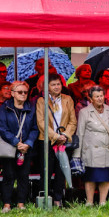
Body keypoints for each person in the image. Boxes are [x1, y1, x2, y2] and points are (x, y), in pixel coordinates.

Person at [72, 86, 109, 206]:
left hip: (108, 149)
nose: (100, 98)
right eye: (97, 96)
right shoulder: (84, 112)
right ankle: (89, 202)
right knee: (90, 177)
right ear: (91, 99)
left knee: (106, 177)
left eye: (101, 95)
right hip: (91, 150)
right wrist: (77, 154)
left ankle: (103, 202)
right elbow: (79, 133)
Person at [0, 81, 39, 212]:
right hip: (10, 147)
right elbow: (2, 128)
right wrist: (16, 142)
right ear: (13, 93)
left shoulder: (31, 107)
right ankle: (7, 204)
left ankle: (21, 203)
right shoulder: (5, 107)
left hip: (26, 148)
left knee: (24, 176)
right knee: (8, 175)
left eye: (25, 92)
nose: (23, 94)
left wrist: (28, 143)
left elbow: (35, 128)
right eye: (20, 92)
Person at [36, 76, 77, 207]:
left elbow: (73, 121)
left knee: (61, 170)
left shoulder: (67, 99)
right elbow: (41, 122)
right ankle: (45, 198)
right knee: (46, 170)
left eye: (58, 84)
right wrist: (55, 136)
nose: (56, 87)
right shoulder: (41, 101)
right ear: (47, 87)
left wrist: (64, 135)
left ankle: (58, 199)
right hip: (47, 140)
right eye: (53, 84)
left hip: (63, 140)